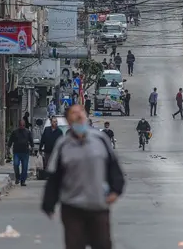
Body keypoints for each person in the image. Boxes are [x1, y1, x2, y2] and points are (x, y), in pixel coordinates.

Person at [41, 105, 125, 249]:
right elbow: (55, 177)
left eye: (81, 112)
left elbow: (113, 167)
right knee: (75, 245)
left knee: (103, 244)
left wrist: (116, 190)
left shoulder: (101, 139)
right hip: (72, 207)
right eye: (74, 113)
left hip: (98, 205)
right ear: (68, 120)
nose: (79, 115)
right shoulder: (63, 145)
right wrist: (49, 203)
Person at [7, 120, 34, 186]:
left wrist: (32, 148)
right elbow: (10, 141)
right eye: (21, 125)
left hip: (25, 152)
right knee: (16, 164)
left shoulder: (28, 132)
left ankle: (23, 181)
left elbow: (31, 141)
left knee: (25, 167)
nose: (22, 126)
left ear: (25, 125)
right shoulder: (15, 132)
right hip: (16, 152)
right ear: (19, 125)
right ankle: (17, 177)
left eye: (23, 125)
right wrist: (8, 149)